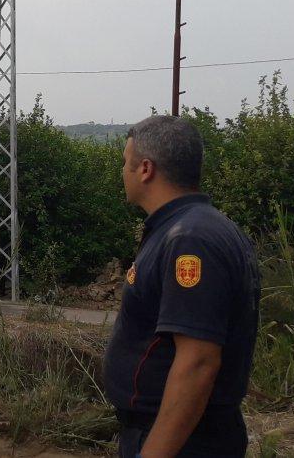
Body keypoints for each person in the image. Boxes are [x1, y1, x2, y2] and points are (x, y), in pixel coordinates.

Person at [103, 116, 261, 457]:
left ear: (146, 169)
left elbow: (198, 362)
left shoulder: (190, 240)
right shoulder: (189, 227)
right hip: (177, 433)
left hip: (183, 441)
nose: (122, 173)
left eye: (124, 163)